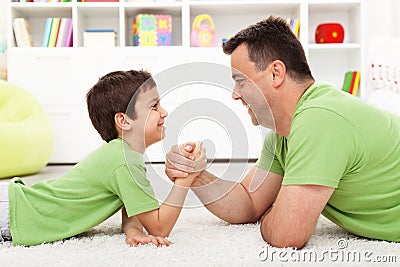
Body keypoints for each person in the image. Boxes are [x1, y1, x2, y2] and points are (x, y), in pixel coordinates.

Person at [165, 16, 400, 248]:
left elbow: (286, 236)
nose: (235, 94)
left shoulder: (319, 118)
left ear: (276, 73)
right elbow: (248, 202)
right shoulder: (282, 136)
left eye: (240, 81)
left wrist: (275, 213)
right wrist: (197, 174)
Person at [0, 70, 204, 246]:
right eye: (154, 106)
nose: (164, 112)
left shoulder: (122, 155)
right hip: (12, 212)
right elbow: (159, 228)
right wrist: (187, 177)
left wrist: (133, 230)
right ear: (123, 121)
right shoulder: (124, 160)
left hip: (14, 204)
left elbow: (132, 204)